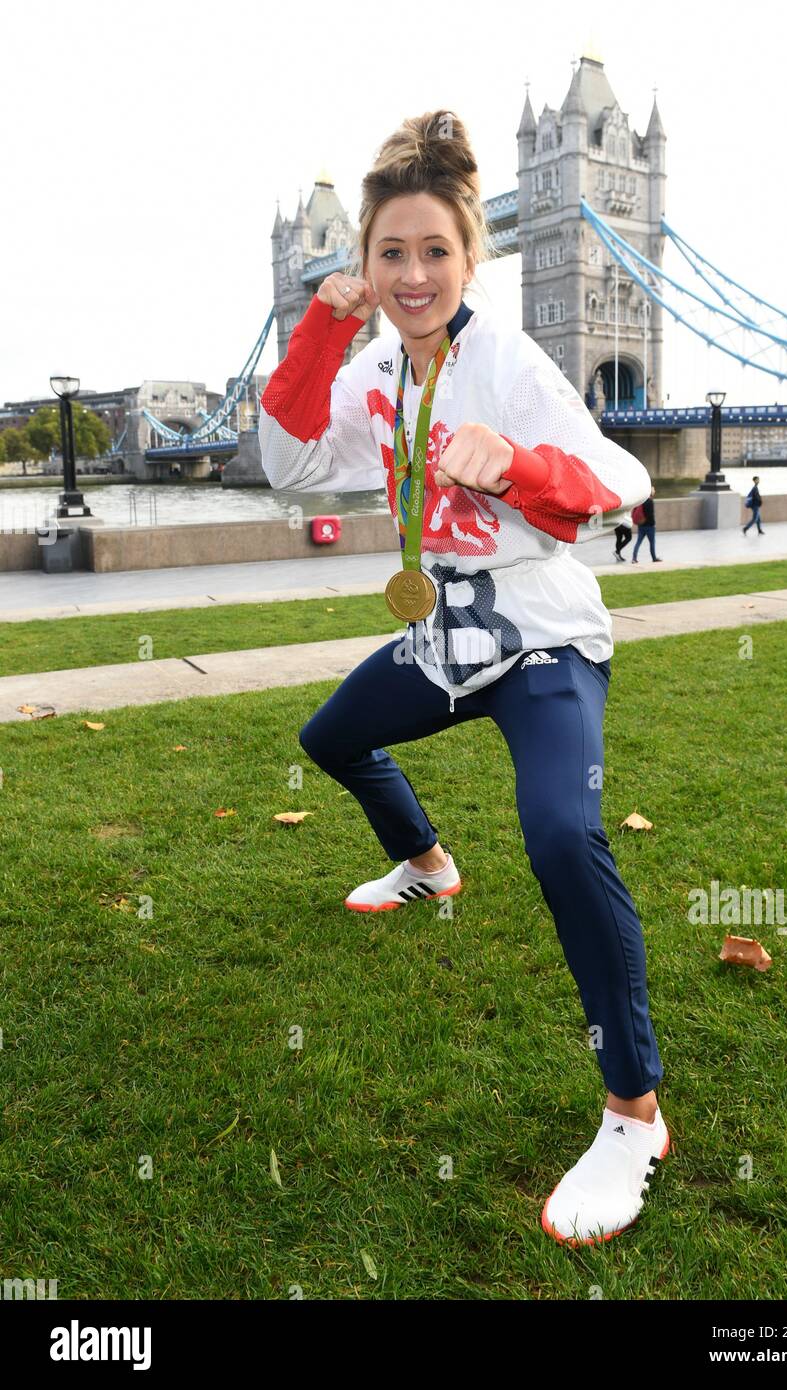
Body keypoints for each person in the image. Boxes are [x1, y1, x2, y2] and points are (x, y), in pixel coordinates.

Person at [259, 110, 669, 1246]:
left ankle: (633, 1110)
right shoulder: (379, 366)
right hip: (445, 644)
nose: (413, 273)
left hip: (538, 640)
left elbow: (622, 478)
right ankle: (429, 865)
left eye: (435, 250)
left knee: (556, 832)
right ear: (367, 267)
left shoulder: (508, 358)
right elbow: (290, 465)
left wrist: (523, 463)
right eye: (390, 252)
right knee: (331, 738)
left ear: (469, 256)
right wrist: (313, 335)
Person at [631, 485, 661, 562]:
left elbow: (634, 511)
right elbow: (650, 515)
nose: (654, 491)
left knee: (638, 542)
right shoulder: (650, 501)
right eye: (653, 490)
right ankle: (654, 558)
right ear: (650, 492)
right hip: (649, 526)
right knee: (652, 542)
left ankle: (634, 558)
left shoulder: (640, 500)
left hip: (641, 525)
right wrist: (653, 524)